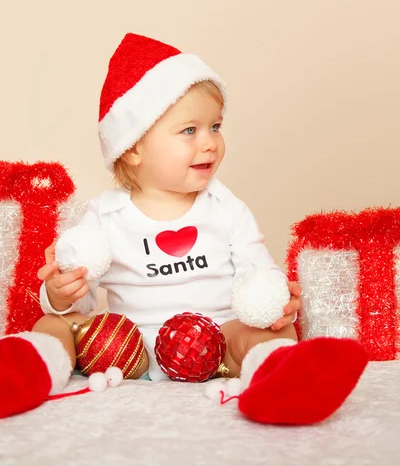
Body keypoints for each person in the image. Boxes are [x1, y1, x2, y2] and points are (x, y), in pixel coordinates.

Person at [0, 34, 368, 423]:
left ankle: (282, 382)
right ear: (133, 147)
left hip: (218, 344)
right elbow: (83, 297)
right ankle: (29, 370)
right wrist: (60, 294)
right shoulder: (104, 216)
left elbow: (256, 270)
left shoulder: (226, 208)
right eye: (189, 130)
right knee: (54, 323)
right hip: (128, 348)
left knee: (271, 333)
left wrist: (278, 302)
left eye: (215, 126)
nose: (209, 143)